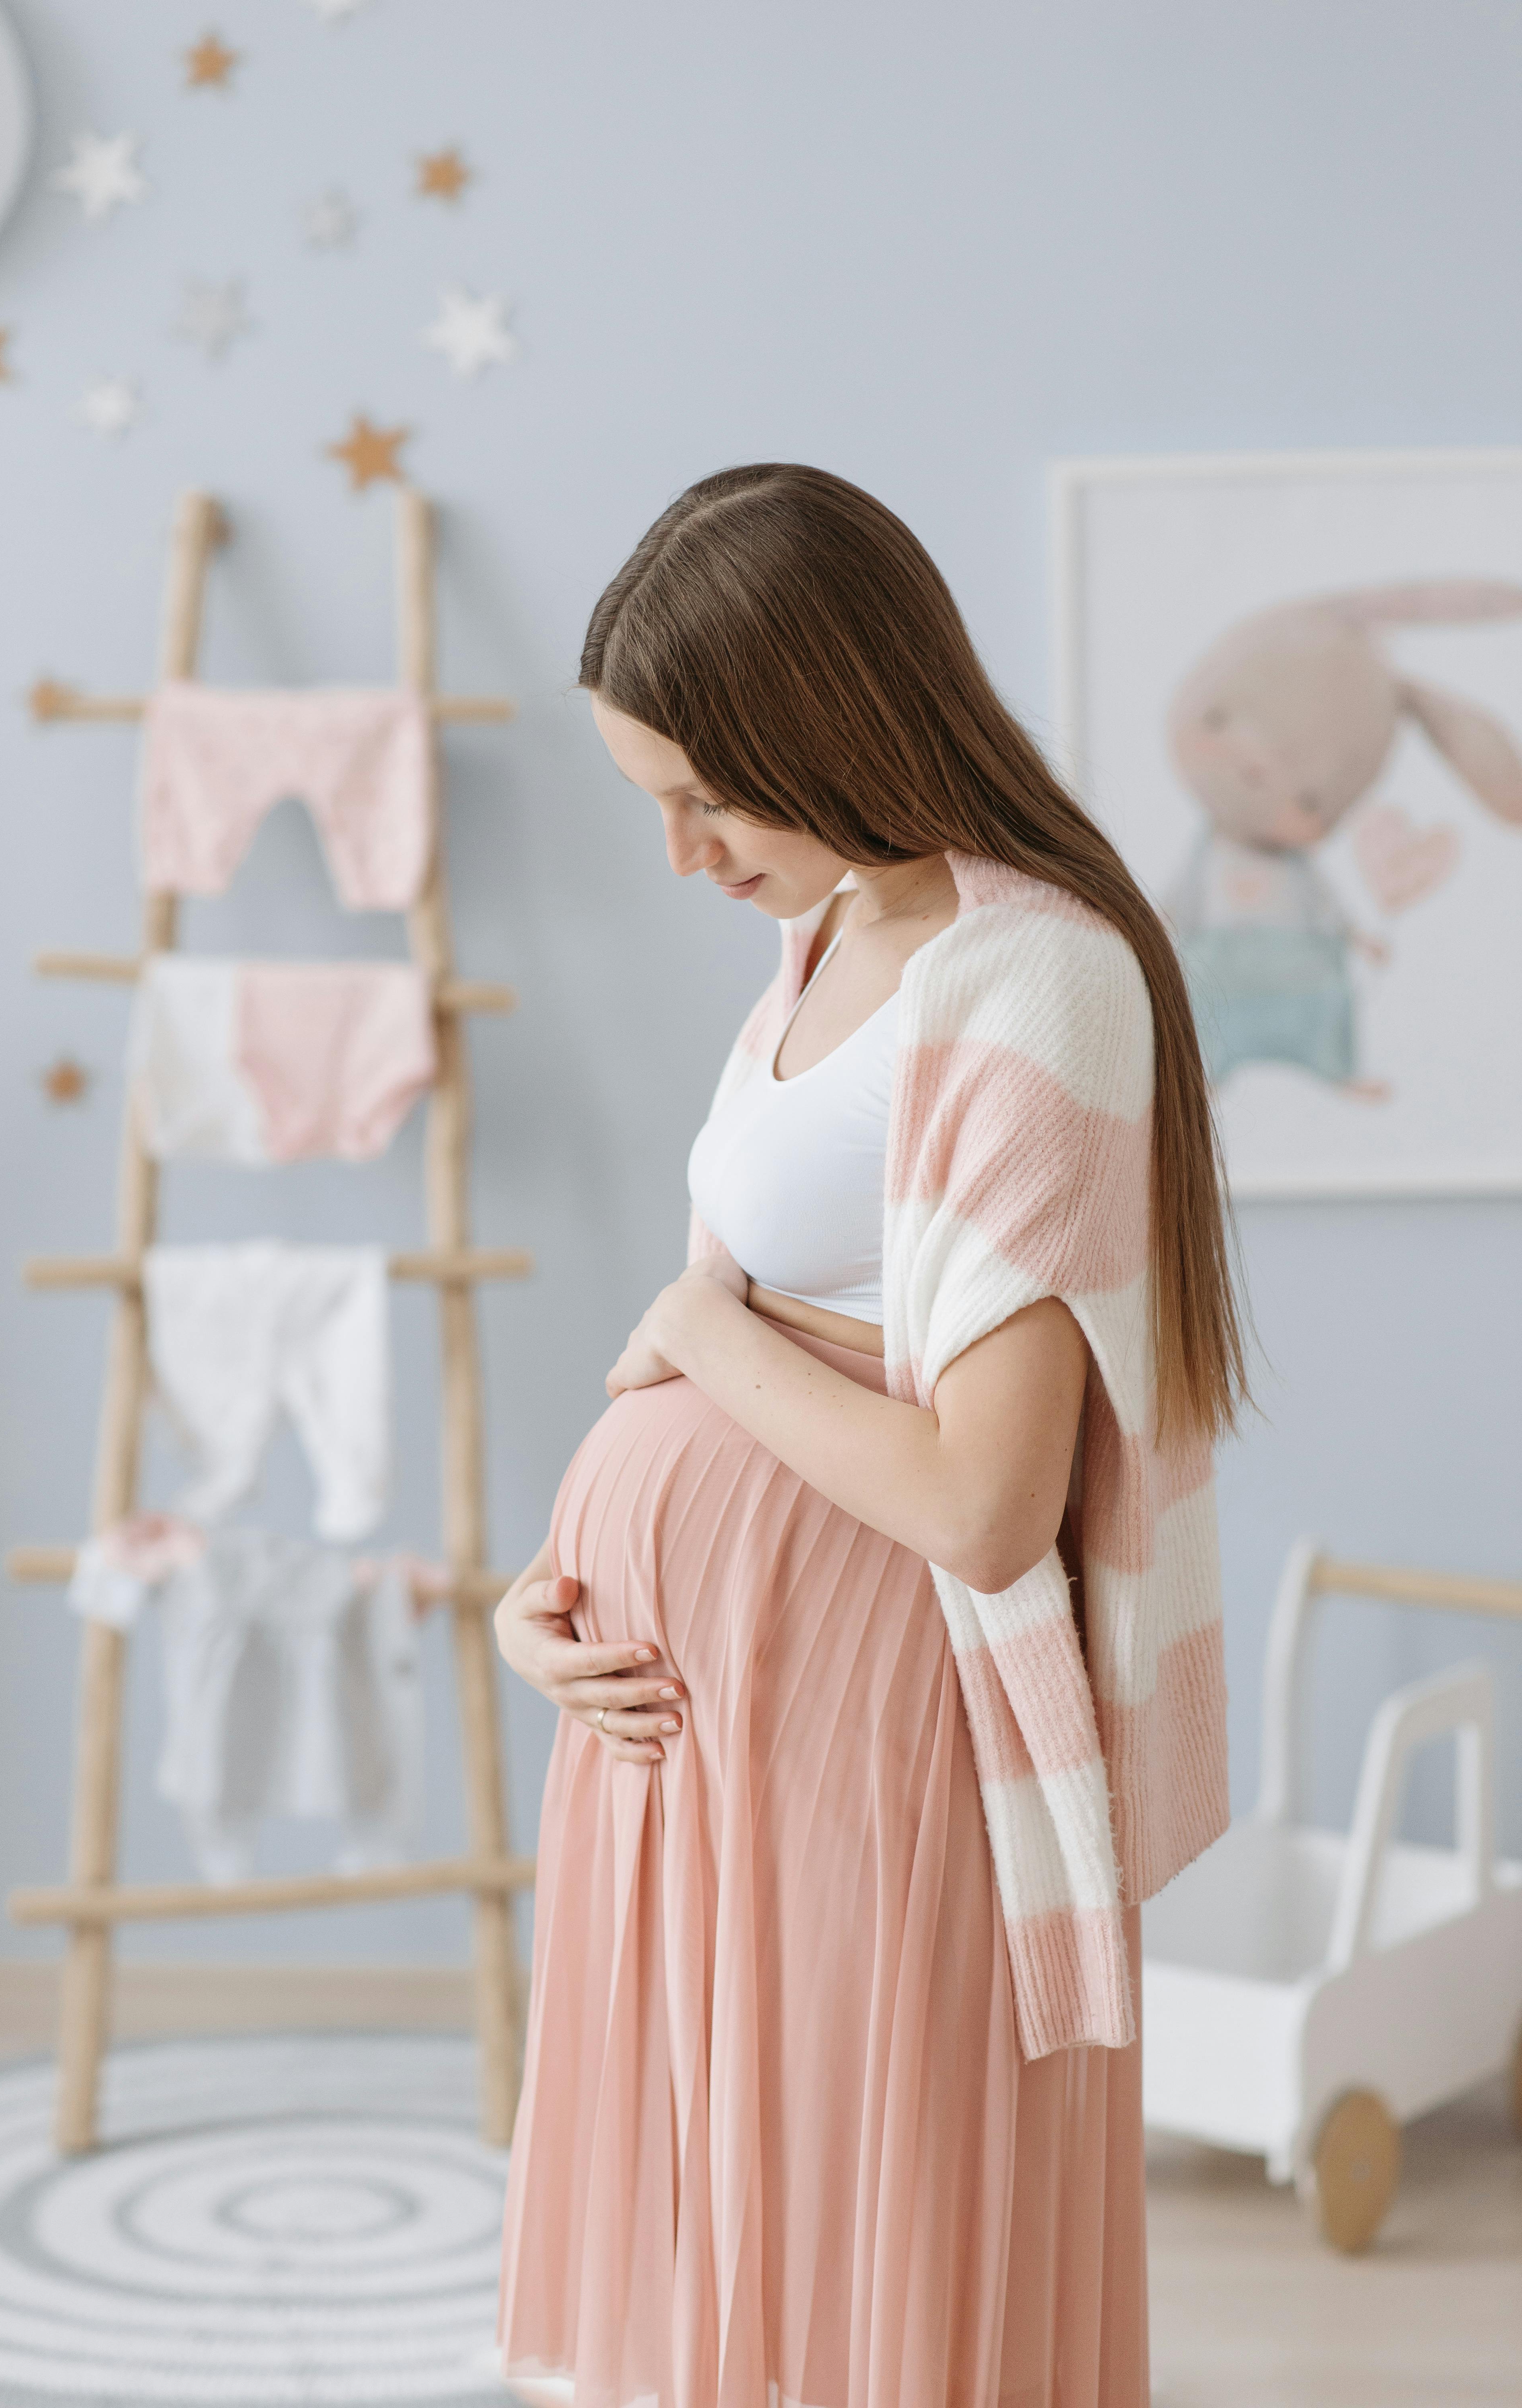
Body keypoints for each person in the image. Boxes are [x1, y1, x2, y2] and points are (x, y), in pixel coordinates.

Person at [495, 464, 1247, 2408]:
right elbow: (731, 1329)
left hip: (872, 1728)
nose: (678, 855)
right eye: (650, 796)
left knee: (861, 2246)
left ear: (839, 718)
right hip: (693, 1732)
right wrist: (550, 1598)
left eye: (706, 795)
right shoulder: (819, 939)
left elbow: (981, 1506)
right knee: (731, 2255)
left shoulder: (1042, 979)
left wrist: (694, 1335)